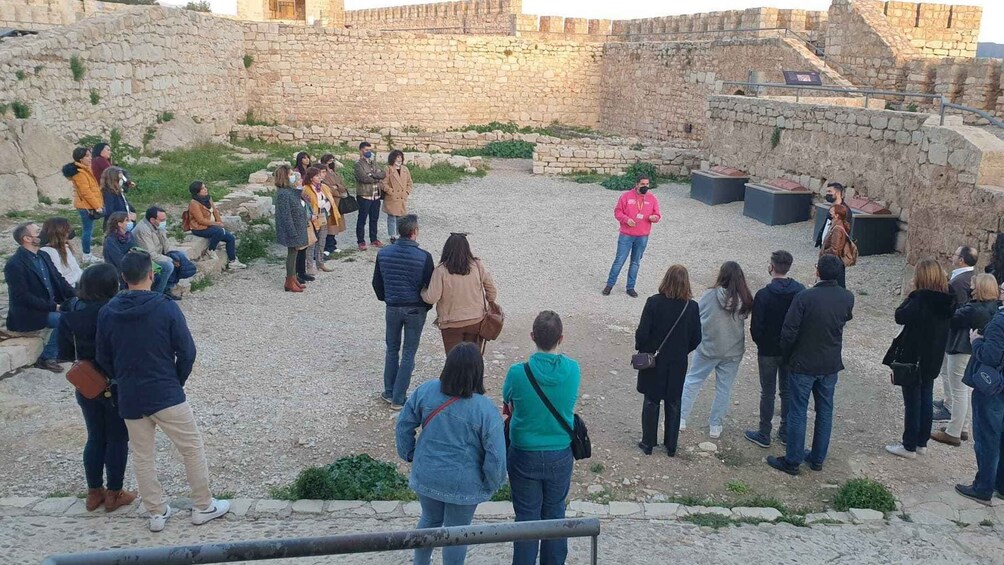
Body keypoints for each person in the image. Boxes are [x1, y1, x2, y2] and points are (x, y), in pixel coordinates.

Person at [95, 251, 230, 532]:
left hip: (130, 395)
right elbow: (187, 352)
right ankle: (203, 506)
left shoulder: (107, 312)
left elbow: (103, 357)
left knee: (143, 455)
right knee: (191, 448)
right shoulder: (166, 307)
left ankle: (156, 511)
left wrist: (121, 377)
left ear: (123, 278)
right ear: (152, 275)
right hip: (165, 391)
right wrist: (175, 380)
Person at [396, 343, 507, 565]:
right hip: (464, 483)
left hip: (428, 473)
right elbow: (495, 455)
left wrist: (409, 453)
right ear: (478, 372)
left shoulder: (426, 391)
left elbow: (404, 425)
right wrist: (493, 483)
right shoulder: (485, 409)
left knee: (429, 520)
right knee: (457, 534)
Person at [56, 263, 136, 512]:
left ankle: (93, 492)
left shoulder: (70, 311)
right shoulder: (114, 311)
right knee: (117, 438)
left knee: (95, 436)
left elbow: (64, 353)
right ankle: (114, 493)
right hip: (115, 382)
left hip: (87, 382)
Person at [503, 311, 580, 565]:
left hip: (524, 451)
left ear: (532, 336)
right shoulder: (573, 370)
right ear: (562, 338)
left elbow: (507, 404)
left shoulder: (517, 373)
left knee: (526, 518)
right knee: (555, 514)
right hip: (559, 450)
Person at [766, 255, 854, 475]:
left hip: (804, 362)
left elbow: (789, 331)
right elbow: (845, 318)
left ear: (818, 271)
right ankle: (817, 458)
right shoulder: (847, 297)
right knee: (825, 411)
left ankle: (792, 460)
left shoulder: (805, 297)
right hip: (830, 362)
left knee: (798, 411)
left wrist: (787, 354)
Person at [883, 259, 955, 459]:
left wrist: (911, 294)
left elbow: (900, 315)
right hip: (933, 357)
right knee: (925, 399)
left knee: (912, 402)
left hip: (914, 357)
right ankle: (922, 442)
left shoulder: (920, 300)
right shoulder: (947, 300)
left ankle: (909, 445)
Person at [679, 261, 753, 438]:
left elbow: (697, 314)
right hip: (733, 350)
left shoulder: (710, 295)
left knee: (693, 381)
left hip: (708, 347)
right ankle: (715, 425)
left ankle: (680, 418)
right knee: (724, 388)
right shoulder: (745, 298)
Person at [634, 265, 702, 456]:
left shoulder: (654, 302)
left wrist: (644, 347)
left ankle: (648, 443)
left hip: (654, 360)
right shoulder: (692, 307)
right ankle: (671, 446)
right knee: (673, 402)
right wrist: (681, 350)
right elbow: (697, 338)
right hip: (677, 362)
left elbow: (642, 333)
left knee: (651, 400)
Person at [744, 251, 805, 448]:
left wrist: (761, 343)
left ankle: (764, 432)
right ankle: (785, 431)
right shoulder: (800, 291)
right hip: (790, 349)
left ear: (772, 266)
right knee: (786, 391)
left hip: (768, 349)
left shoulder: (763, 294)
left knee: (767, 392)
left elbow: (756, 326)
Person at [372, 214, 434, 409]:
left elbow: (377, 283)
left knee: (392, 349)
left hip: (392, 306)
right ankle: (399, 398)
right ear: (414, 232)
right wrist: (426, 306)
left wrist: (387, 298)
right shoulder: (424, 256)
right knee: (409, 352)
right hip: (415, 307)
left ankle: (389, 391)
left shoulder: (383, 253)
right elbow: (429, 285)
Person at [932, 273, 999, 446]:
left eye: (974, 285)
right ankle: (963, 427)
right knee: (964, 391)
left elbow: (951, 319)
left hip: (960, 350)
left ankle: (953, 432)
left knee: (958, 391)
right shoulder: (993, 308)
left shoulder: (974, 310)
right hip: (971, 352)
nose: (971, 287)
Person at [3, 222, 76, 373]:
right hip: (30, 313)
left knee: (80, 308)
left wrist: (79, 295)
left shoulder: (43, 255)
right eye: (38, 232)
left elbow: (59, 279)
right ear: (27, 239)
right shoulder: (15, 264)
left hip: (49, 305)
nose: (42, 233)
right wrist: (54, 307)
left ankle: (67, 352)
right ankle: (47, 357)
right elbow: (23, 297)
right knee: (63, 319)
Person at [954, 308, 1004, 505]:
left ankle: (983, 487)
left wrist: (976, 341)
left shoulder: (1000, 321)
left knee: (987, 438)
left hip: (991, 389)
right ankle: (1001, 485)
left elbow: (990, 357)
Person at [421, 233, 497, 355]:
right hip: (476, 320)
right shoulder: (477, 266)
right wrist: (490, 302)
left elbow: (431, 298)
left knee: (455, 361)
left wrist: (423, 291)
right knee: (473, 359)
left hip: (451, 323)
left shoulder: (440, 271)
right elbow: (491, 290)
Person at [935, 245, 979, 421]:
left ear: (961, 260)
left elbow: (958, 310)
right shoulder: (968, 277)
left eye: (955, 254)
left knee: (948, 371)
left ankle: (950, 406)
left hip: (955, 335)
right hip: (959, 333)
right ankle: (948, 400)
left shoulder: (959, 282)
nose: (952, 257)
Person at [603, 176, 660, 298]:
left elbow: (657, 214)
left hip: (642, 236)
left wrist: (654, 218)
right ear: (637, 184)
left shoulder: (652, 198)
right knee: (619, 261)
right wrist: (626, 219)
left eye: (647, 184)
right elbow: (618, 212)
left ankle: (630, 287)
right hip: (626, 235)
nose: (645, 186)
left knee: (635, 262)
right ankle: (609, 285)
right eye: (642, 184)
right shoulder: (626, 196)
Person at [187, 181, 246, 270]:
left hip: (211, 226)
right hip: (200, 228)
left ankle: (233, 261)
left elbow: (215, 211)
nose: (205, 189)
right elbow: (200, 220)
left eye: (205, 187)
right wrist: (215, 224)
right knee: (219, 231)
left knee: (230, 238)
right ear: (197, 191)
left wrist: (219, 222)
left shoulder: (208, 198)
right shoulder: (194, 203)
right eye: (202, 188)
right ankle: (211, 249)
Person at [132, 207, 190, 299]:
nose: (164, 222)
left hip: (158, 254)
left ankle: (168, 288)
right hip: (144, 259)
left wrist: (172, 255)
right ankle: (157, 295)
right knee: (168, 265)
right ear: (152, 220)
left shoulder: (158, 226)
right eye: (162, 220)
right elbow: (150, 255)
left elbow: (166, 244)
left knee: (182, 256)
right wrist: (170, 259)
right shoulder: (143, 230)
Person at [62, 147, 103, 264]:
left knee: (88, 229)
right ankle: (87, 254)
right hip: (86, 206)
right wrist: (96, 206)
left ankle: (87, 253)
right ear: (81, 158)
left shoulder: (84, 170)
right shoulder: (80, 173)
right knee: (87, 230)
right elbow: (86, 192)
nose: (90, 158)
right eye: (87, 156)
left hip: (87, 205)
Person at [301, 166, 342, 274]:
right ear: (310, 178)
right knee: (312, 242)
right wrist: (322, 204)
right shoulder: (306, 189)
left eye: (320, 175)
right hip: (313, 218)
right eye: (317, 176)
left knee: (321, 240)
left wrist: (326, 204)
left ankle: (320, 262)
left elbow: (330, 199)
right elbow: (307, 205)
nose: (320, 178)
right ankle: (309, 265)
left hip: (324, 216)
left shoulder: (324, 187)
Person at [274, 165, 308, 292]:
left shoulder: (289, 192)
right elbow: (286, 215)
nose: (293, 176)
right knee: (292, 254)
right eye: (290, 174)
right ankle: (289, 280)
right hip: (292, 229)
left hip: (297, 227)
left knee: (294, 253)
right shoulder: (283, 194)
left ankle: (293, 279)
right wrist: (292, 231)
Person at [355, 141, 386, 250]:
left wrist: (372, 175)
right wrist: (376, 177)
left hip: (376, 195)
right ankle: (361, 241)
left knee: (374, 218)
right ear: (361, 150)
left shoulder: (373, 162)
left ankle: (374, 239)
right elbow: (363, 178)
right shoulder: (358, 164)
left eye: (370, 150)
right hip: (364, 195)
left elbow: (383, 173)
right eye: (366, 150)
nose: (369, 152)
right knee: (362, 219)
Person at [319, 154, 349, 257]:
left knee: (335, 224)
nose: (331, 163)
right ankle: (327, 246)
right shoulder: (323, 174)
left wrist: (337, 187)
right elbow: (327, 187)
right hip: (330, 201)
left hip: (338, 202)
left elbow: (342, 186)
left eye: (332, 161)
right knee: (329, 225)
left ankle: (333, 245)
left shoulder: (335, 173)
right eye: (328, 161)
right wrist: (337, 190)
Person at [40, 217, 84, 288]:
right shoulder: (50, 252)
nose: (70, 233)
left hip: (76, 285)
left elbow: (76, 270)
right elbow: (58, 278)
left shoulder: (64, 246)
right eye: (68, 230)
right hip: (68, 290)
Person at [383, 150, 413, 244]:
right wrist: (390, 191)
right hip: (392, 197)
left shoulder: (405, 169)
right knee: (392, 217)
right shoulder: (388, 169)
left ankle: (400, 235)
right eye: (397, 157)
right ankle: (392, 236)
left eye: (401, 157)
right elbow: (383, 183)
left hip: (401, 197)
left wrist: (407, 192)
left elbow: (410, 182)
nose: (399, 159)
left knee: (401, 217)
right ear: (393, 158)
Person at [814, 182, 853, 249]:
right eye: (827, 191)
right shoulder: (833, 207)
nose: (827, 194)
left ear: (837, 193)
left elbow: (841, 232)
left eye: (830, 191)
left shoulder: (844, 211)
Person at [820, 204, 850, 288]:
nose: (829, 212)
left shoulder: (837, 229)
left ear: (837, 215)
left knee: (837, 285)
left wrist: (823, 252)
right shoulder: (835, 225)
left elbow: (835, 249)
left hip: (835, 261)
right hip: (835, 260)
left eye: (832, 211)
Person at [102, 212, 134, 277]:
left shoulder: (129, 235)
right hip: (117, 272)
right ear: (119, 224)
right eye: (127, 220)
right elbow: (118, 259)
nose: (130, 222)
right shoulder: (110, 240)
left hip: (130, 265)